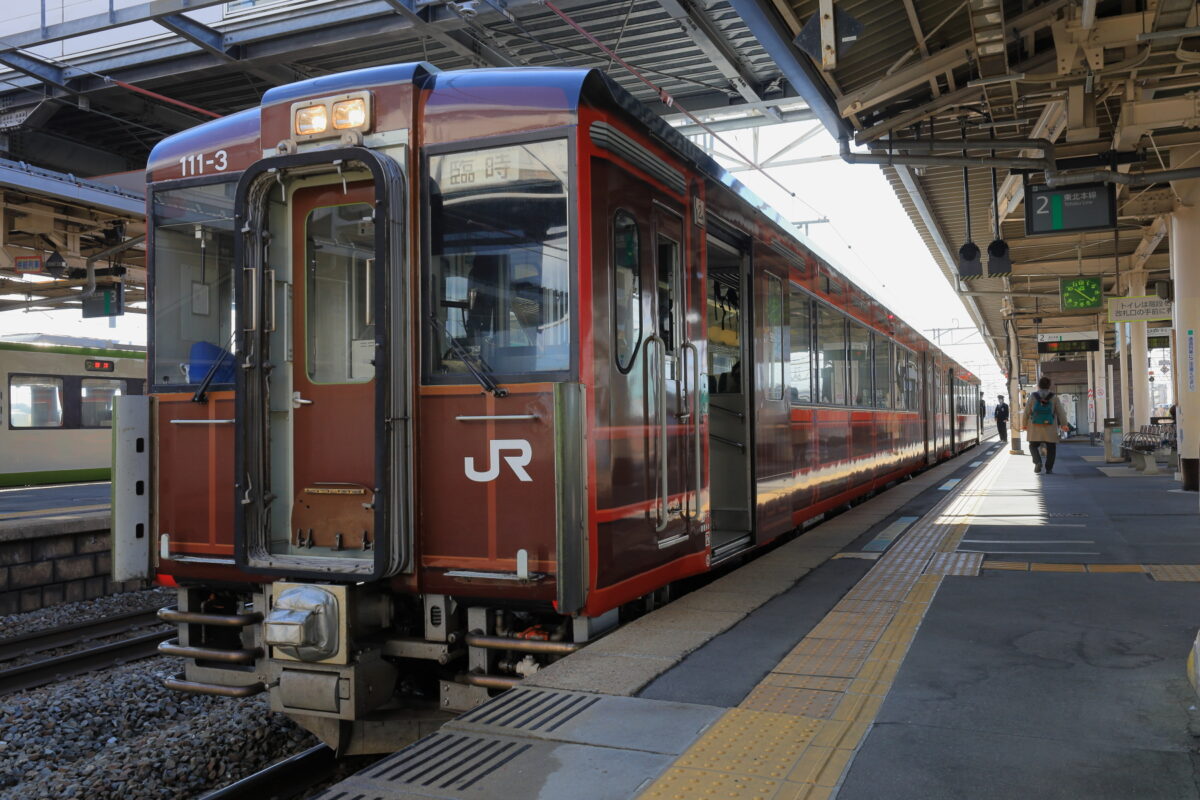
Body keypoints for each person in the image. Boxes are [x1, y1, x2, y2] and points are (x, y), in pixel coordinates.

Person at [1021, 376, 1069, 474]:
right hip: (1050, 427)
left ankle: (1038, 462)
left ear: (1038, 385)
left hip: (1035, 427)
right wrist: (1064, 424)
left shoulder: (1033, 396)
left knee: (1033, 446)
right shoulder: (1054, 397)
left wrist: (1024, 424)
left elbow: (1026, 412)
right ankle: (1049, 468)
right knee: (1051, 448)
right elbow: (1061, 412)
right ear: (1049, 386)